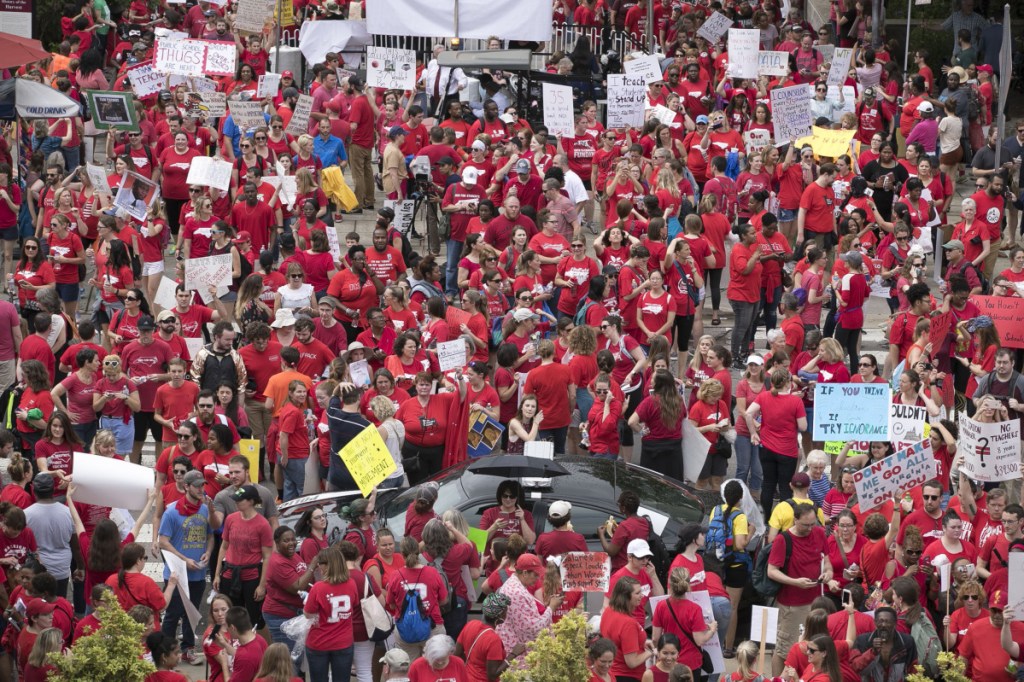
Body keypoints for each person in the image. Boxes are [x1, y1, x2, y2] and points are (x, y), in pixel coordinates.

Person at [767, 503, 832, 676]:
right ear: (795, 520)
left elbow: (826, 560)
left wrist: (828, 573)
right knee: (785, 649)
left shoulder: (819, 532)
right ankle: (777, 679)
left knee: (812, 646)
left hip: (816, 601)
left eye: (813, 524)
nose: (810, 528)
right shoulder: (783, 539)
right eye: (805, 525)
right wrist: (795, 582)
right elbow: (772, 571)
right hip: (792, 604)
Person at [745, 369, 808, 517]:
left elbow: (747, 413)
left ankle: (766, 518)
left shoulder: (764, 396)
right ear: (788, 383)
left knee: (768, 484)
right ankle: (783, 519)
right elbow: (803, 426)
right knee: (785, 487)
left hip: (766, 448)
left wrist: (754, 433)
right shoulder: (795, 401)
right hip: (787, 450)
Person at [214, 484, 273, 632]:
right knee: (230, 616)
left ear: (251, 501)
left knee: (254, 617)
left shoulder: (263, 524)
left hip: (251, 577)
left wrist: (262, 585)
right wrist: (217, 574)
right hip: (229, 574)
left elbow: (267, 556)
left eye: (240, 500)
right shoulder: (231, 519)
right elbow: (224, 547)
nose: (236, 502)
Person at [303, 546, 359, 682]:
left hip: (319, 642)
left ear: (327, 565)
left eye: (320, 564)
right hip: (343, 642)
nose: (318, 567)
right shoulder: (351, 583)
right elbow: (355, 603)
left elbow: (307, 614)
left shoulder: (318, 587)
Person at [651, 568, 714, 676]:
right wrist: (712, 629)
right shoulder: (695, 609)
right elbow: (699, 640)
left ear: (670, 584)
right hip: (691, 663)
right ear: (688, 584)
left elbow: (655, 638)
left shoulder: (661, 606)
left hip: (669, 661)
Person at [629, 369, 685, 480]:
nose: (650, 381)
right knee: (673, 485)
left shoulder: (650, 401)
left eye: (653, 379)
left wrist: (641, 431)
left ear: (658, 384)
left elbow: (631, 422)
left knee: (651, 485)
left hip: (652, 449)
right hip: (673, 449)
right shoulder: (678, 401)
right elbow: (683, 418)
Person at [455, 592, 521, 681]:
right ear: (501, 614)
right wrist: (513, 654)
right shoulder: (493, 640)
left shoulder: (470, 624)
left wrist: (473, 665)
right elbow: (492, 676)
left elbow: (457, 654)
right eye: (506, 610)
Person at [601, 576, 656, 681]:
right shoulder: (628, 623)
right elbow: (632, 662)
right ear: (625, 597)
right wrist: (651, 652)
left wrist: (641, 643)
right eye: (637, 593)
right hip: (628, 676)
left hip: (613, 673)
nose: (641, 596)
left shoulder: (608, 611)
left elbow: (618, 640)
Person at [221, 606, 268, 682]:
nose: (226, 630)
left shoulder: (244, 658)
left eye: (227, 627)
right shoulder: (260, 639)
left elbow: (245, 658)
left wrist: (224, 663)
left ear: (233, 628)